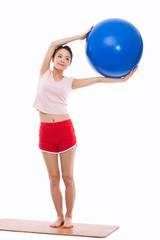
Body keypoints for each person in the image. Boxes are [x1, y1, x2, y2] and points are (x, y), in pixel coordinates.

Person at [33, 27, 137, 229]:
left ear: (69, 64)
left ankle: (70, 216)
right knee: (53, 179)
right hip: (45, 132)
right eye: (60, 56)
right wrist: (79, 37)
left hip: (64, 130)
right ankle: (59, 216)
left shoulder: (70, 82)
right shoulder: (43, 74)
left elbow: (98, 79)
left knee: (68, 177)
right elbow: (53, 42)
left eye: (67, 58)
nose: (62, 59)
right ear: (53, 59)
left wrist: (121, 79)